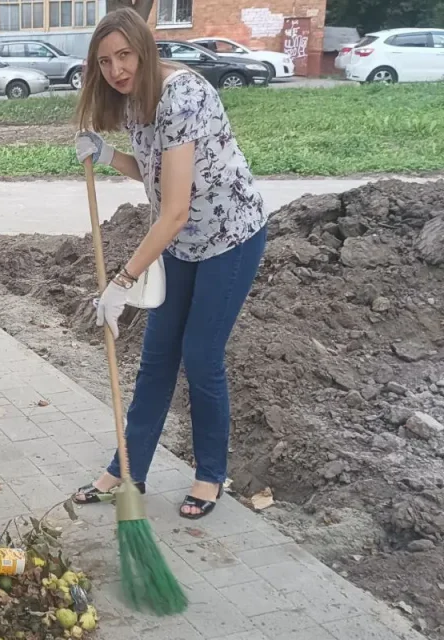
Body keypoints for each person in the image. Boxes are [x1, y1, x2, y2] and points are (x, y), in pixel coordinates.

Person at [70, 8, 268, 520]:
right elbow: (156, 174)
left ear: (144, 47)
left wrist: (121, 281)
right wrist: (108, 154)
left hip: (229, 237)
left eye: (124, 55)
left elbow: (175, 208)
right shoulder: (133, 100)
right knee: (158, 359)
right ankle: (126, 471)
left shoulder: (183, 94)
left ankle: (209, 475)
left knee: (200, 356)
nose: (115, 69)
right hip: (182, 243)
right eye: (105, 61)